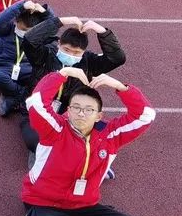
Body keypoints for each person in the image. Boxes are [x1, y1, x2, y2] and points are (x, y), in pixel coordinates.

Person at [23, 70, 154, 216]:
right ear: (68, 110)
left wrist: (121, 88)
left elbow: (145, 116)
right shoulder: (54, 129)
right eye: (76, 107)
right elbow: (36, 103)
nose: (81, 113)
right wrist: (62, 73)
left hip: (83, 205)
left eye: (89, 109)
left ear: (99, 115)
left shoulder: (110, 135)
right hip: (45, 202)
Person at [20, 13, 127, 156]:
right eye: (66, 50)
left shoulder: (88, 61)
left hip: (70, 114)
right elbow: (29, 39)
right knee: (35, 141)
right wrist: (61, 21)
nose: (71, 55)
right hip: (38, 112)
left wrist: (102, 32)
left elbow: (118, 58)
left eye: (77, 53)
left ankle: (89, 162)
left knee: (87, 141)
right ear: (59, 44)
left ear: (84, 52)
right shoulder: (44, 55)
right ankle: (41, 155)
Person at [0, 0, 49, 117]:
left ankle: (12, 97)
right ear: (17, 20)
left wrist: (45, 12)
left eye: (31, 30)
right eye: (24, 29)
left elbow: (53, 25)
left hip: (27, 68)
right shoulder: (6, 30)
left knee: (44, 79)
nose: (27, 33)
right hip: (5, 67)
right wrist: (21, 6)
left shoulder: (39, 35)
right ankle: (22, 95)